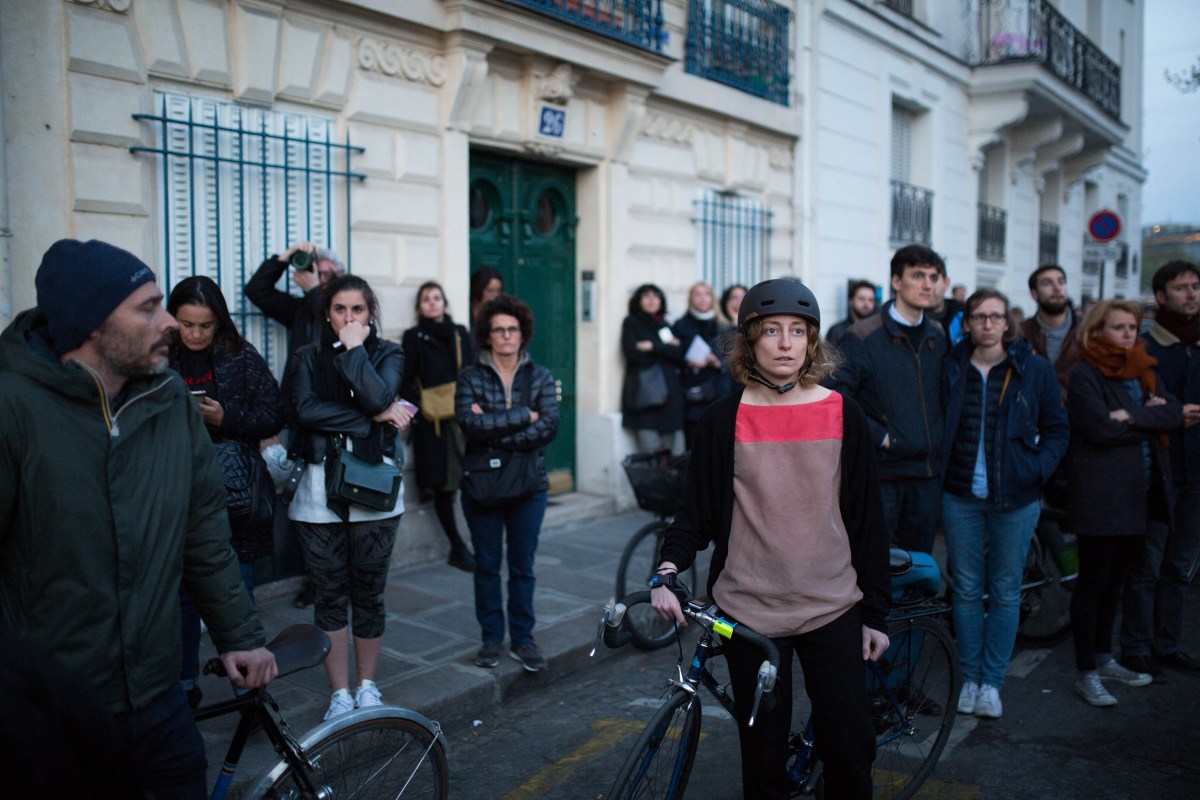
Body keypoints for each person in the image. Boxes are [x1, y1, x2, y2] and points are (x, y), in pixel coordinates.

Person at [0, 239, 276, 798]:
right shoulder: (13, 408)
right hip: (54, 714)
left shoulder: (169, 400)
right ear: (93, 324)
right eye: (148, 307)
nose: (170, 322)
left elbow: (204, 531)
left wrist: (240, 635)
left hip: (158, 704)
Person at [652, 277, 890, 800]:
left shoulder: (842, 412)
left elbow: (867, 521)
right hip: (751, 615)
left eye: (798, 331)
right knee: (761, 764)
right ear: (750, 341)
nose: (786, 343)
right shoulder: (723, 419)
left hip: (831, 605)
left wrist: (875, 613)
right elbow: (696, 513)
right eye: (772, 331)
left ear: (812, 343)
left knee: (849, 750)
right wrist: (666, 569)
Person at [284, 274, 410, 720]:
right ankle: (340, 693)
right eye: (340, 310)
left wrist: (356, 350)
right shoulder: (306, 356)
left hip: (375, 489)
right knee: (330, 593)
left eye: (357, 310)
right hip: (318, 493)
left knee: (370, 594)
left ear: (370, 313)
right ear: (327, 313)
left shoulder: (388, 353)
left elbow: (381, 393)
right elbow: (302, 409)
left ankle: (368, 686)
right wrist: (371, 419)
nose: (348, 318)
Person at [942, 290, 1069, 719]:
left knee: (1005, 589)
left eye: (996, 316)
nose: (988, 324)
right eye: (979, 316)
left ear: (1007, 322)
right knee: (965, 589)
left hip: (1016, 497)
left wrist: (1037, 470)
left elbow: (1057, 429)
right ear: (968, 322)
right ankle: (970, 677)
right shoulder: (953, 365)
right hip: (960, 496)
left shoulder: (1032, 369)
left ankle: (992, 683)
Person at [167, 275, 285, 707]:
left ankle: (249, 690)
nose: (196, 334)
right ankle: (182, 687)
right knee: (179, 597)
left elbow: (273, 414)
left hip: (233, 499)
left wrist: (225, 418)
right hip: (175, 491)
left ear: (219, 322)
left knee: (238, 589)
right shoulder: (157, 355)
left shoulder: (240, 356)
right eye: (187, 324)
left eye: (206, 325)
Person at [1066, 300, 1181, 707]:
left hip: (1142, 494)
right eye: (1118, 327)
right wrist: (1146, 416)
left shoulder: (1144, 369)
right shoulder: (1085, 373)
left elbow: (1174, 415)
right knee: (1093, 585)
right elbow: (1098, 427)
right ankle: (1086, 671)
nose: (1129, 333)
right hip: (1101, 497)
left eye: (1132, 326)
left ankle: (1103, 657)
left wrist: (1128, 417)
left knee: (1117, 584)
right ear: (1098, 332)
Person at [456, 294, 560, 672]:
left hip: (529, 485)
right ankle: (490, 640)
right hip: (482, 485)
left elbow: (547, 426)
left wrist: (495, 428)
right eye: (498, 330)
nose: (505, 337)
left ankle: (523, 638)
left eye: (512, 330)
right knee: (486, 565)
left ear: (522, 334)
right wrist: (522, 416)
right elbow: (469, 424)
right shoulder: (470, 376)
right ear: (487, 335)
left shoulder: (541, 376)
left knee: (522, 565)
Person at [244, 240, 344, 609]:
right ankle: (315, 580)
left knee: (336, 499)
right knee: (305, 502)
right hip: (298, 416)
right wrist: (285, 259)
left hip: (336, 419)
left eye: (330, 276)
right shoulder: (305, 308)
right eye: (317, 271)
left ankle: (336, 578)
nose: (322, 279)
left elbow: (335, 341)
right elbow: (256, 291)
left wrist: (317, 292)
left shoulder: (344, 312)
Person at [832, 244, 949, 553]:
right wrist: (880, 436)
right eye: (918, 276)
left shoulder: (938, 335)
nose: (928, 285)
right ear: (896, 282)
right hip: (882, 477)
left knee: (921, 571)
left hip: (926, 475)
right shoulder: (861, 336)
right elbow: (838, 397)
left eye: (934, 277)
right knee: (875, 568)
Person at [1119, 261, 1200, 679]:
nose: (1191, 294)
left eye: (1195, 286)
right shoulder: (1145, 349)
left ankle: (1168, 643)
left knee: (1181, 565)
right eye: (1181, 288)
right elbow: (1135, 408)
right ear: (1162, 296)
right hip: (1157, 473)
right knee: (1146, 564)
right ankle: (1136, 645)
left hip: (1196, 473)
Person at [401, 281, 478, 572]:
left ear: (444, 303)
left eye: (437, 298)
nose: (432, 303)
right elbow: (406, 379)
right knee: (444, 487)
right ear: (419, 307)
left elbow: (472, 373)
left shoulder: (459, 333)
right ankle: (457, 545)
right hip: (432, 425)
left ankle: (474, 540)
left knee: (471, 480)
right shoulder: (414, 337)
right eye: (426, 299)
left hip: (463, 420)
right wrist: (417, 411)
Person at [621, 283, 685, 454]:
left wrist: (652, 346)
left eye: (655, 296)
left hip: (670, 399)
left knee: (675, 453)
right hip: (646, 397)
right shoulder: (632, 323)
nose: (651, 300)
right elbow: (634, 354)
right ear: (638, 300)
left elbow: (679, 354)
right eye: (646, 296)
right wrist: (665, 349)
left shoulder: (664, 324)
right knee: (651, 453)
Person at [672, 281, 726, 449]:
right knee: (694, 442)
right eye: (698, 294)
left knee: (717, 441)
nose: (702, 299)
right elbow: (673, 355)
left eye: (706, 294)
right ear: (691, 299)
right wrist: (688, 362)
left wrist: (717, 362)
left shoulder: (722, 325)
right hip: (692, 391)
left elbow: (733, 358)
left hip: (718, 391)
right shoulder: (681, 325)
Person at [1021, 264, 1082, 399]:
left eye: (1061, 282)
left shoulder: (1088, 329)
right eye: (1047, 283)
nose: (1057, 288)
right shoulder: (1022, 333)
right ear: (1034, 294)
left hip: (1081, 412)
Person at [826, 279, 877, 346]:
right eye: (862, 298)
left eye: (870, 300)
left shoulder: (877, 331)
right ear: (850, 301)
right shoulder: (837, 331)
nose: (866, 304)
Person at [929, 271, 965, 343]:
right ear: (953, 294)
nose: (927, 286)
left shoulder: (964, 313)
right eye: (960, 294)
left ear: (946, 283)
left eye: (934, 279)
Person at [469, 267, 504, 335]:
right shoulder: (467, 312)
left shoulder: (501, 313)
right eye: (490, 291)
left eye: (498, 291)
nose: (495, 295)